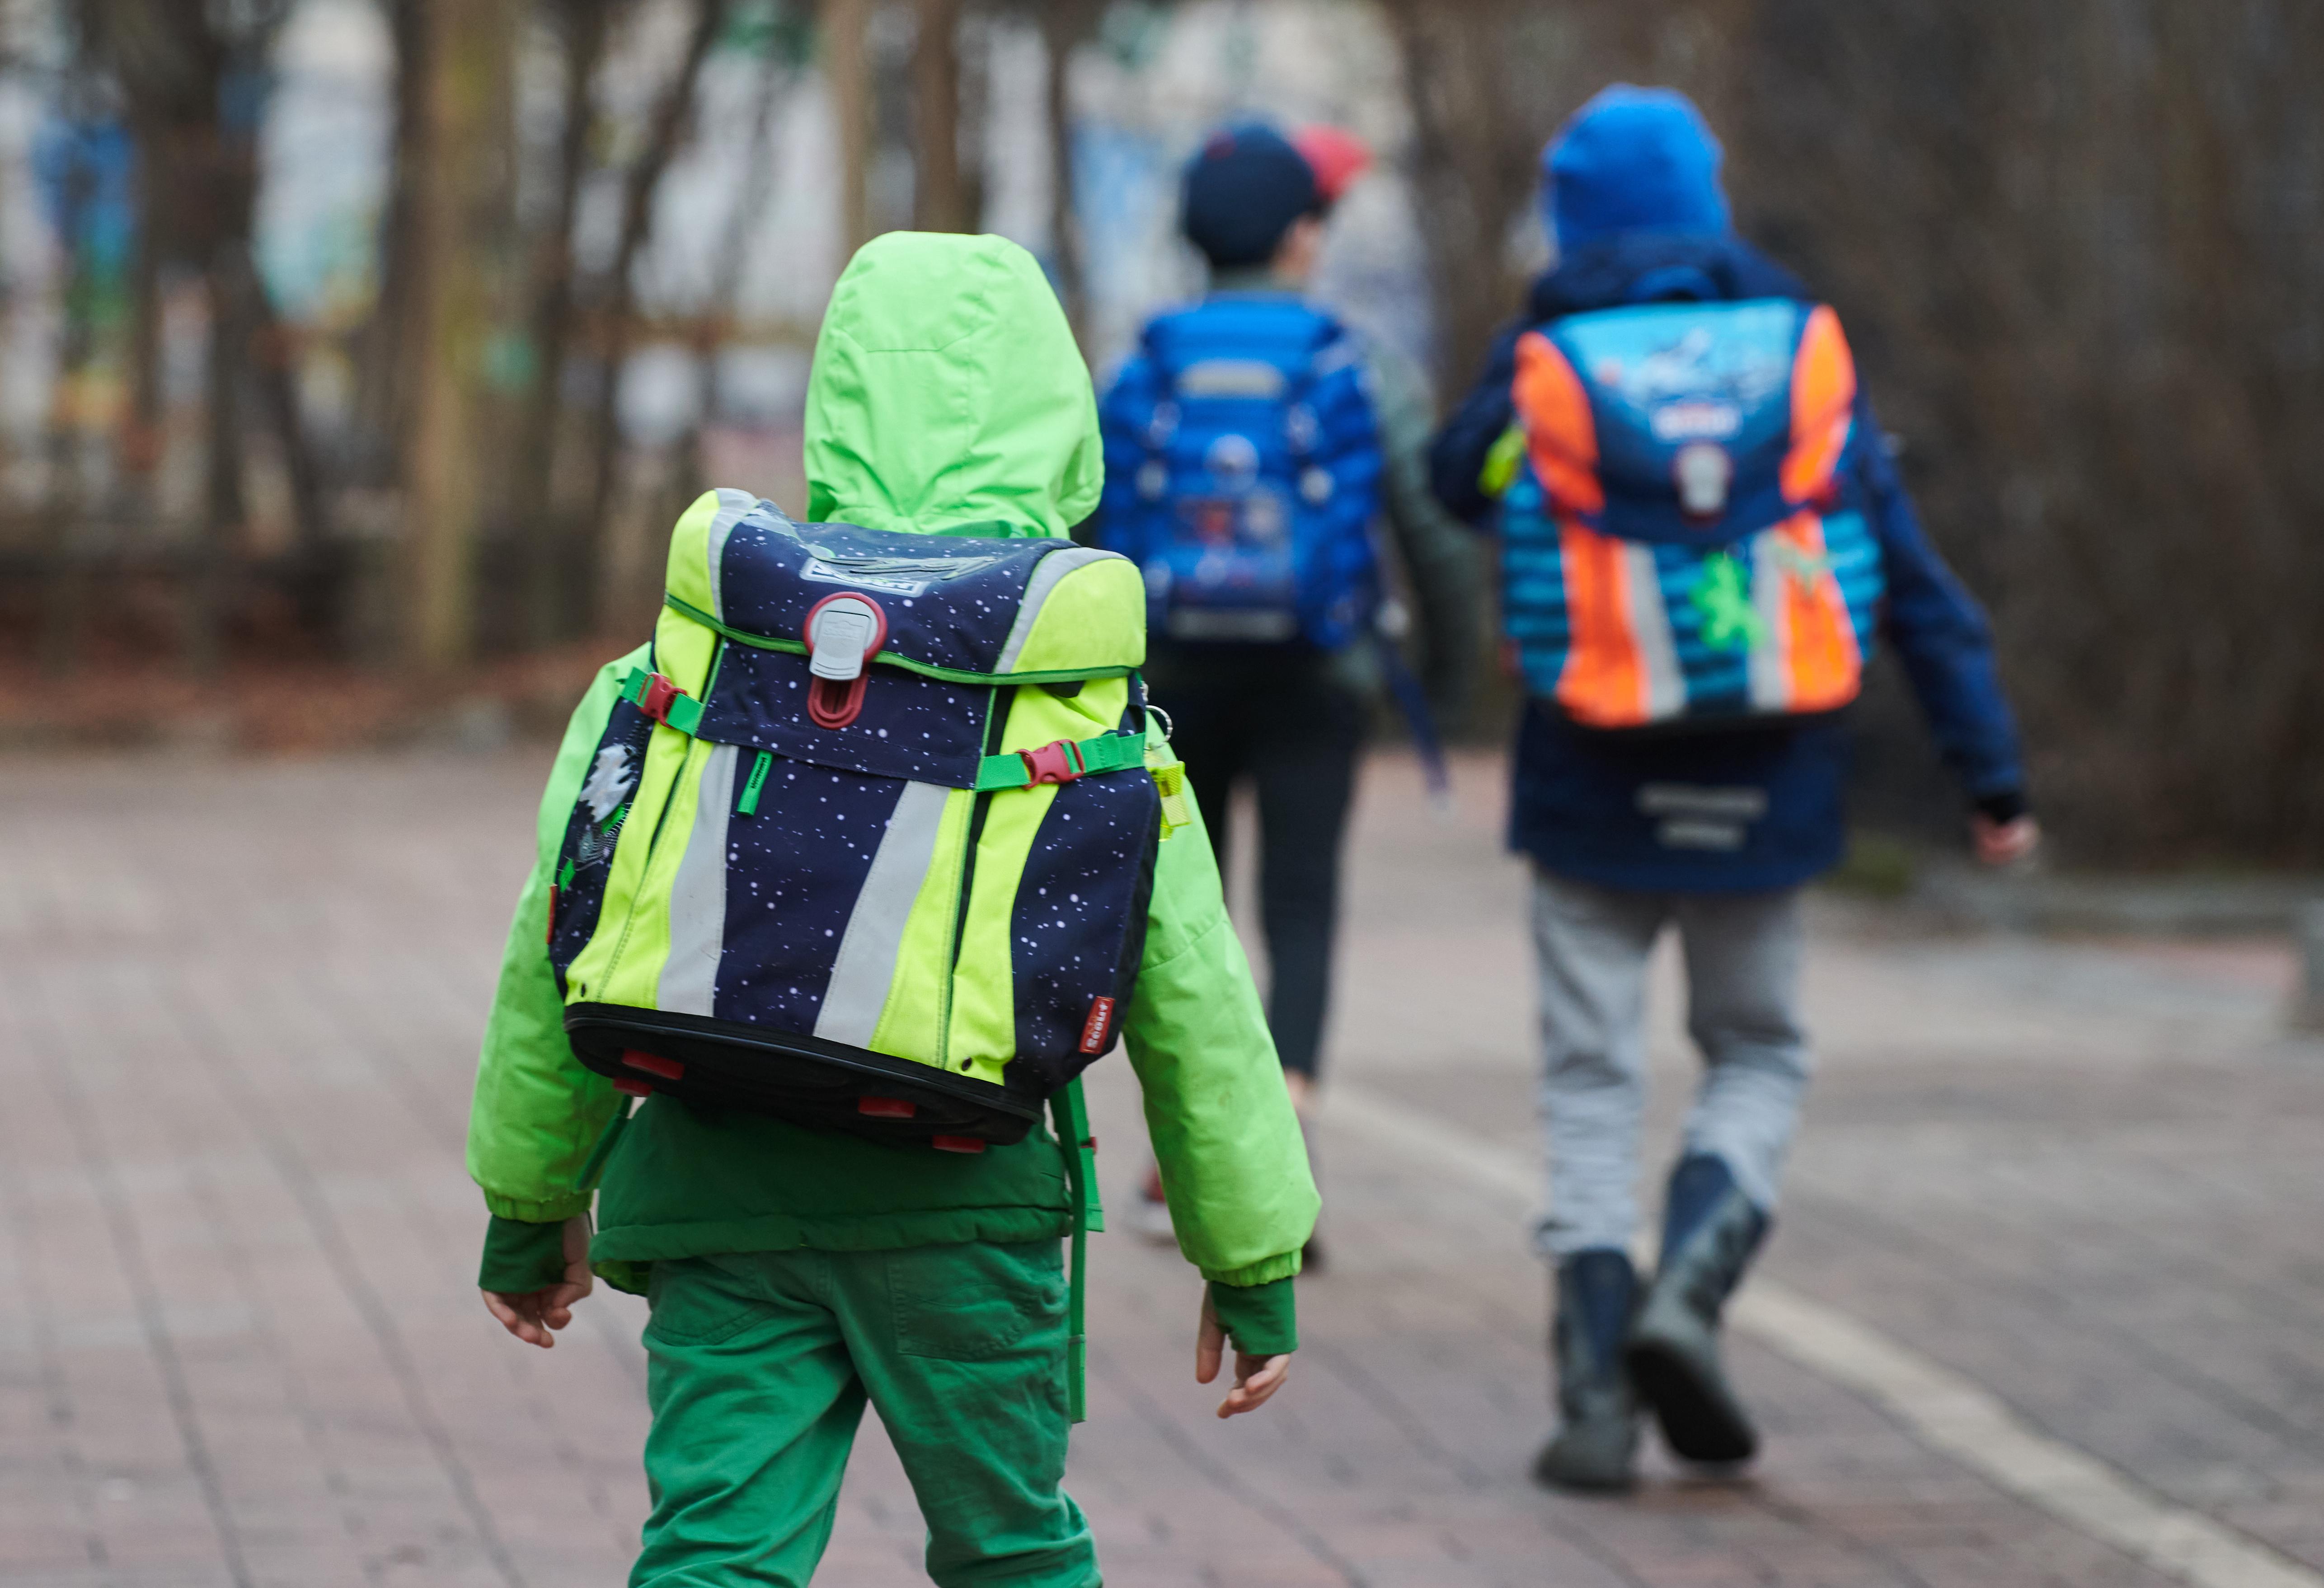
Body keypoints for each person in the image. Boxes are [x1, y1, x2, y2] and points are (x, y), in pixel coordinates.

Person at [468, 231, 1317, 1587]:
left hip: (715, 1190)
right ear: (1064, 435)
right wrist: (1250, 1252)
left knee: (713, 1554)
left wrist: (531, 1205)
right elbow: (1194, 1000)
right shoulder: (1079, 696)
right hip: (964, 1207)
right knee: (1012, 1555)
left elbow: (554, 938)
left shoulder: (693, 659)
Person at [1428, 85, 2039, 1490]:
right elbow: (1915, 581)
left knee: (1590, 1079)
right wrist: (1990, 775)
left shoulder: (1548, 353)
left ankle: (1592, 1395)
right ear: (1707, 204)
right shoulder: (1800, 353)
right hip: (1770, 776)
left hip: (1590, 770)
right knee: (1755, 1047)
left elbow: (1454, 484)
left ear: (1575, 217)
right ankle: (1689, 1291)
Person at [1094, 123, 1480, 1253]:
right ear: (1303, 235)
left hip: (1171, 676)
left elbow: (1084, 525)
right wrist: (1446, 690)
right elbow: (1430, 531)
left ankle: (1183, 1157)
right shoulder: (1349, 360)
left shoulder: (1147, 364)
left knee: (1179, 921)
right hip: (1320, 672)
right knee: (1300, 907)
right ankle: (1288, 1141)